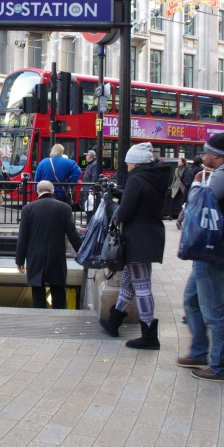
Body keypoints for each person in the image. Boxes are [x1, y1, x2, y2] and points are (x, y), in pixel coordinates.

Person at [178, 133, 224, 383]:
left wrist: (196, 183)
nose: (203, 156)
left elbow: (196, 203)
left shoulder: (219, 175)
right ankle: (198, 352)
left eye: (206, 152)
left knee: (215, 311)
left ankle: (221, 365)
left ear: (216, 155)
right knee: (192, 300)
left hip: (214, 253)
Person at [100, 142, 169, 350]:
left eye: (128, 162)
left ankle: (149, 335)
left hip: (139, 239)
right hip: (149, 236)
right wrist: (120, 193)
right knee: (128, 284)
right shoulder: (152, 177)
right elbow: (142, 200)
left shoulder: (136, 179)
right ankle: (113, 322)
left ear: (136, 163)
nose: (127, 165)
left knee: (142, 287)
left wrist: (109, 202)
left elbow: (124, 213)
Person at [16, 180, 82, 309]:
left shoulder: (28, 209)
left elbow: (23, 237)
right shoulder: (64, 208)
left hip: (35, 255)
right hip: (56, 254)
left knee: (37, 292)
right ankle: (59, 316)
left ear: (37, 192)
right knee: (58, 291)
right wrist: (82, 252)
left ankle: (40, 318)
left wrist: (20, 260)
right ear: (52, 191)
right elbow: (73, 234)